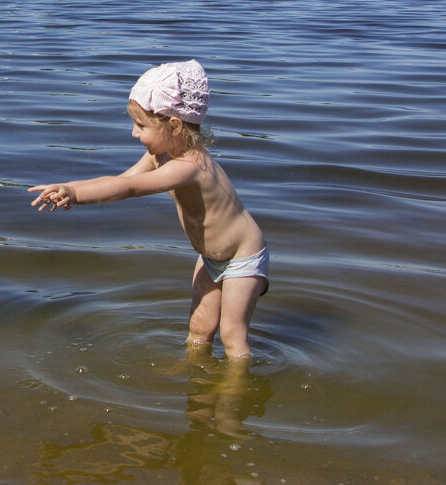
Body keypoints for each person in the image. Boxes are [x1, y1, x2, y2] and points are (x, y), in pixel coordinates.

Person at [28, 60, 267, 359]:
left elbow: (130, 189)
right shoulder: (160, 156)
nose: (133, 133)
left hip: (242, 255)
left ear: (174, 126)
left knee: (232, 335)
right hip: (211, 256)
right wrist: (69, 186)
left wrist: (76, 195)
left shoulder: (190, 167)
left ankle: (236, 395)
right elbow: (120, 180)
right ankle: (198, 382)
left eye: (141, 125)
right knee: (200, 326)